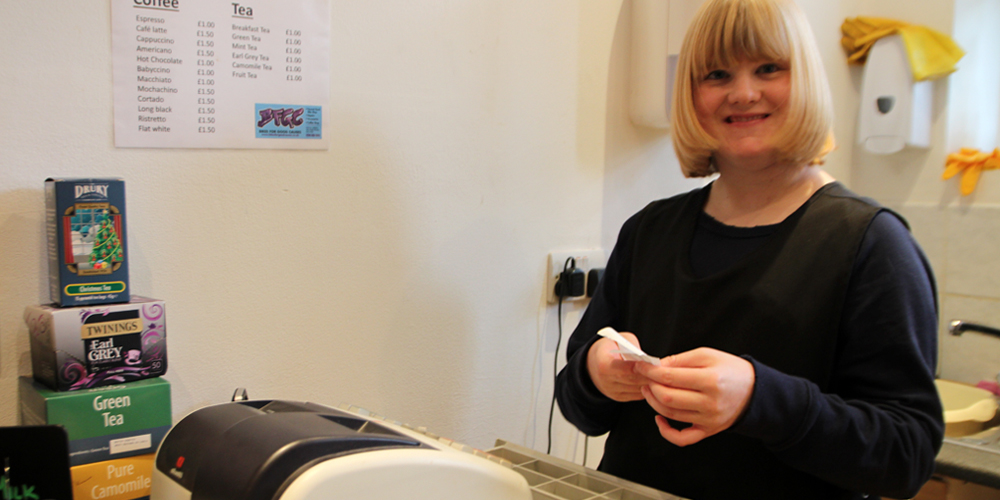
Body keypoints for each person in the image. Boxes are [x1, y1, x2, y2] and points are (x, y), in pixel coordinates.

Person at [554, 0, 944, 499]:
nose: (743, 93)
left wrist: (760, 399)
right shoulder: (649, 231)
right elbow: (577, 403)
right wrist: (595, 374)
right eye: (716, 74)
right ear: (690, 94)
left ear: (805, 80)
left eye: (768, 68)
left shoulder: (872, 244)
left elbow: (905, 456)